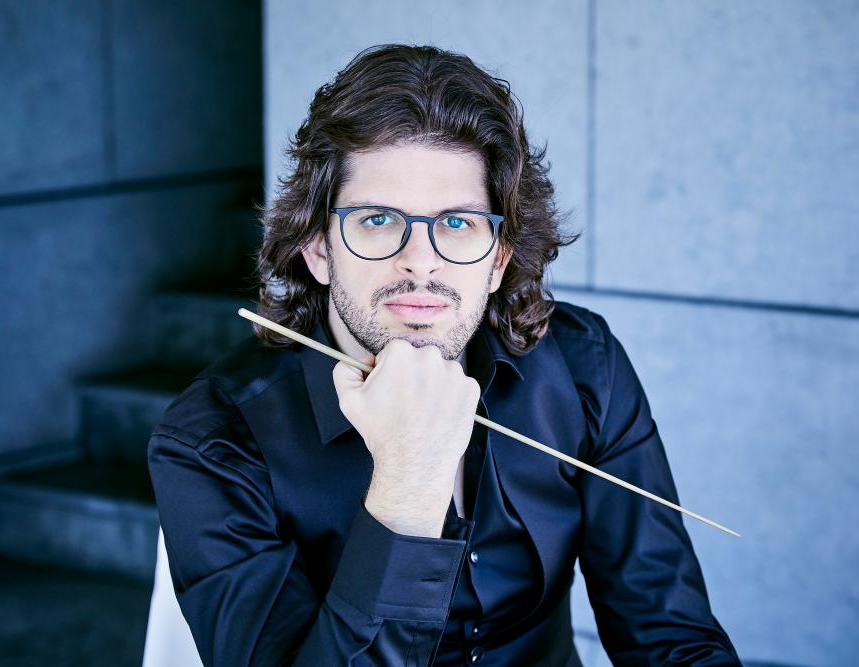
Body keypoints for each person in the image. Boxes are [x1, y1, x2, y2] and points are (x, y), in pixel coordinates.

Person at [147, 43, 741, 666]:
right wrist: (410, 482)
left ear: (499, 259)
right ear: (319, 248)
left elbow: (672, 639)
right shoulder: (213, 441)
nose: (421, 262)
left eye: (457, 223)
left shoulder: (583, 366)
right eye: (377, 220)